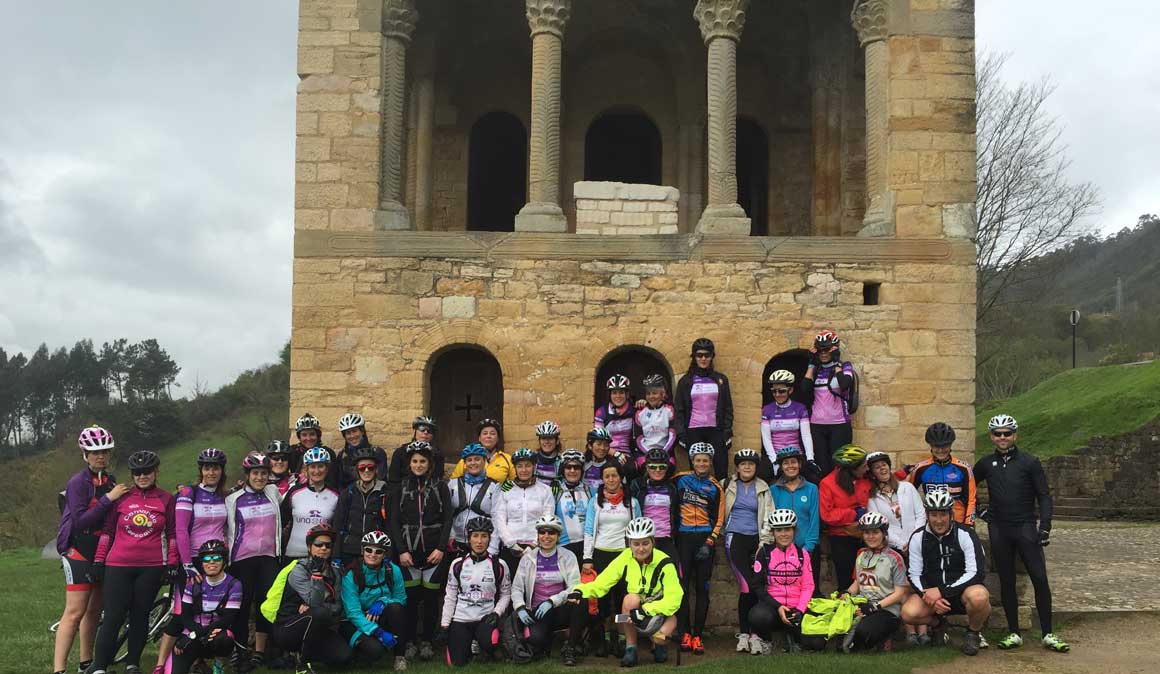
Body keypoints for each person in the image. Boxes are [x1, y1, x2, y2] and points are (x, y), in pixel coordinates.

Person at [974, 414, 1069, 653]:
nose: (1002, 437)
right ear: (992, 437)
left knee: (1039, 578)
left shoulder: (1029, 462)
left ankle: (1048, 633)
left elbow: (1044, 496)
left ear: (1015, 435)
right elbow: (967, 487)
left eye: (1007, 433)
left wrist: (1045, 526)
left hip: (1026, 526)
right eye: (998, 434)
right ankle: (1013, 632)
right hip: (1000, 528)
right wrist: (980, 513)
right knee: (1007, 581)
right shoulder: (986, 464)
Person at [85, 450, 179, 674]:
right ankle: (99, 667)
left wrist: (172, 565)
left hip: (152, 567)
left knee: (140, 615)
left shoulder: (166, 499)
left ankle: (132, 663)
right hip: (118, 565)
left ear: (156, 472)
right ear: (132, 474)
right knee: (113, 616)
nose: (142, 476)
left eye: (147, 472)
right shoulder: (123, 497)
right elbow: (107, 532)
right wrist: (99, 561)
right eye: (137, 472)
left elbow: (172, 534)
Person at [54, 426, 129, 674]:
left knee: (95, 611)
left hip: (102, 552)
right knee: (74, 612)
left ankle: (85, 663)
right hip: (79, 550)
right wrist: (109, 499)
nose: (100, 456)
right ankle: (59, 669)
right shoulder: (78, 482)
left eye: (105, 451)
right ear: (85, 454)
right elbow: (80, 521)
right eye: (95, 452)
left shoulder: (111, 481)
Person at [153, 447, 229, 673]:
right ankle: (160, 664)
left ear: (221, 470)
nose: (211, 472)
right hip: (193, 560)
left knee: (209, 610)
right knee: (180, 614)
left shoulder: (223, 496)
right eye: (207, 468)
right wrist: (186, 564)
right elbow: (180, 530)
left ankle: (200, 659)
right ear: (201, 470)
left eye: (215, 468)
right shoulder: (189, 493)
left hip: (216, 561)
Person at [570, 517, 683, 668]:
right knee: (629, 600)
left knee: (659, 638)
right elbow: (602, 582)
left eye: (645, 543)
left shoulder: (665, 563)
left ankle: (659, 645)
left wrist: (645, 610)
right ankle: (631, 648)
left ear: (653, 542)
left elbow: (674, 598)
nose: (640, 549)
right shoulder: (626, 557)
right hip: (636, 608)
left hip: (660, 612)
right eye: (636, 544)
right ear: (629, 544)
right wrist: (580, 591)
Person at [902, 492, 990, 656]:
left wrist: (943, 591)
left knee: (980, 597)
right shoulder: (918, 537)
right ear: (927, 515)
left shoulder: (966, 534)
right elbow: (914, 574)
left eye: (943, 514)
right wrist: (927, 595)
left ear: (951, 514)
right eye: (933, 515)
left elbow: (976, 572)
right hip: (932, 595)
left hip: (962, 592)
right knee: (908, 613)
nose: (938, 520)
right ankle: (938, 625)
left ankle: (973, 633)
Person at [387, 440, 452, 661]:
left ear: (430, 463)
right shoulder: (399, 488)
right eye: (414, 461)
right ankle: (409, 641)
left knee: (432, 599)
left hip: (434, 553)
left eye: (422, 461)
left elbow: (448, 519)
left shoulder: (440, 486)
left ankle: (427, 641)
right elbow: (394, 522)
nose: (418, 465)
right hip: (408, 554)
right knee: (411, 600)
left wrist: (441, 548)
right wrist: (402, 551)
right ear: (409, 463)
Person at [224, 451, 283, 672]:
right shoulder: (233, 499)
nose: (260, 477)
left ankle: (260, 652)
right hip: (241, 560)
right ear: (247, 475)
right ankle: (240, 652)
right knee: (241, 606)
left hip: (268, 558)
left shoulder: (273, 493)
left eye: (264, 473)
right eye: (255, 473)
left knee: (266, 605)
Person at [265, 524, 354, 670]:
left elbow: (338, 606)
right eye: (318, 544)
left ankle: (303, 654)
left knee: (344, 657)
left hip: (318, 625)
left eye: (328, 545)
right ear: (309, 547)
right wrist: (317, 576)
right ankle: (302, 664)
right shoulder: (298, 570)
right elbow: (315, 602)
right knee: (320, 613)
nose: (323, 548)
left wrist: (315, 609)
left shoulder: (335, 572)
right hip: (288, 626)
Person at [582, 461, 641, 657]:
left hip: (625, 555)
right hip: (601, 553)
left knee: (623, 599)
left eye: (614, 475)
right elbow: (589, 530)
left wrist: (638, 557)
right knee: (603, 601)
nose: (611, 479)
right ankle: (606, 638)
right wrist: (587, 558)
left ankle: (623, 639)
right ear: (602, 479)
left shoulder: (632, 502)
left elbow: (637, 531)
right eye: (606, 476)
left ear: (620, 477)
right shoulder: (595, 502)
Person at [438, 516, 513, 667]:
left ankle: (484, 645)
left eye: (484, 536)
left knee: (490, 644)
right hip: (461, 619)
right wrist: (445, 625)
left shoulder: (499, 565)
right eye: (475, 536)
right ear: (469, 538)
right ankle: (469, 644)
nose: (479, 541)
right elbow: (451, 596)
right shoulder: (457, 564)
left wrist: (496, 613)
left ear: (490, 539)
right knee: (456, 663)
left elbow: (506, 594)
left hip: (485, 619)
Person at [674, 442, 725, 654]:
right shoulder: (679, 479)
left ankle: (698, 636)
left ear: (710, 463)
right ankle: (684, 632)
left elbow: (720, 518)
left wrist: (710, 541)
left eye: (705, 460)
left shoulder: (716, 486)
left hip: (705, 539)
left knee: (703, 589)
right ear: (692, 462)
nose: (701, 463)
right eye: (698, 460)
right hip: (684, 538)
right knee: (682, 588)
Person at [511, 515, 584, 663]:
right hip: (537, 611)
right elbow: (517, 588)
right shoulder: (528, 558)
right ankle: (549, 639)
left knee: (581, 601)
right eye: (542, 532)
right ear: (537, 535)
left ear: (558, 536)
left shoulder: (568, 556)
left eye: (551, 533)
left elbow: (574, 586)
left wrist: (552, 601)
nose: (546, 536)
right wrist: (520, 608)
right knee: (536, 639)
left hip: (559, 608)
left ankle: (570, 648)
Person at [722, 449, 773, 654]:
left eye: (750, 464)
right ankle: (744, 634)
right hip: (734, 538)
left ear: (755, 467)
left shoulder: (763, 487)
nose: (747, 467)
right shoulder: (727, 485)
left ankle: (755, 635)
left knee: (757, 586)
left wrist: (765, 541)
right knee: (746, 586)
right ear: (737, 467)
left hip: (756, 540)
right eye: (743, 464)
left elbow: (769, 515)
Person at [747, 510, 817, 655]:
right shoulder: (764, 553)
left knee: (817, 643)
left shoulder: (802, 554)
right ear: (773, 532)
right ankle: (767, 639)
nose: (783, 534)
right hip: (774, 608)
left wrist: (800, 609)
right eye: (779, 530)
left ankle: (792, 636)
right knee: (758, 616)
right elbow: (757, 586)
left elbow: (808, 585)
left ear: (794, 530)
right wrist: (778, 606)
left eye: (787, 529)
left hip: (796, 607)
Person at [166, 539, 242, 674]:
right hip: (193, 631)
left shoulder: (234, 584)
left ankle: (219, 666)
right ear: (202, 563)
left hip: (216, 633)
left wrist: (194, 635)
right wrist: (191, 635)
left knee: (224, 640)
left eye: (216, 558)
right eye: (206, 558)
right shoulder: (193, 583)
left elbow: (228, 619)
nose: (211, 562)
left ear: (224, 561)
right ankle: (197, 664)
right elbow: (185, 616)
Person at [840, 513, 909, 653]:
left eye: (875, 532)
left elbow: (900, 593)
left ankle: (887, 636)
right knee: (841, 641)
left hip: (887, 609)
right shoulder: (861, 554)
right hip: (863, 605)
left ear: (884, 534)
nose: (870, 536)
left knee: (863, 632)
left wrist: (875, 607)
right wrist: (846, 593)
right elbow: (857, 583)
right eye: (866, 532)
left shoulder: (895, 558)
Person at [340, 531, 409, 670]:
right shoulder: (352, 574)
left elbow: (401, 599)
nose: (372, 554)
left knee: (396, 608)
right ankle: (358, 651)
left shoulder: (392, 570)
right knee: (375, 651)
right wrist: (378, 632)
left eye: (378, 551)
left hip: (378, 617)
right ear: (363, 551)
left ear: (385, 554)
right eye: (368, 550)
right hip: (354, 621)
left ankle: (400, 657)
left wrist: (384, 601)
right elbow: (353, 613)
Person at [673, 338, 734, 479]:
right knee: (696, 471)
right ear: (694, 357)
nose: (703, 358)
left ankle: (722, 499)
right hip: (693, 431)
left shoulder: (721, 379)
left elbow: (728, 408)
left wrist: (727, 431)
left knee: (721, 470)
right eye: (699, 355)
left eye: (707, 355)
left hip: (716, 430)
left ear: (712, 356)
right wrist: (681, 434)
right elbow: (679, 409)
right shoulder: (686, 381)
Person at [802, 330, 854, 479]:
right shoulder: (816, 369)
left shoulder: (845, 366)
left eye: (826, 350)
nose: (823, 354)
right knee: (822, 467)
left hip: (839, 424)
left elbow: (844, 384)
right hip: (817, 424)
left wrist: (837, 363)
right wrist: (811, 364)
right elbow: (805, 388)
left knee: (840, 468)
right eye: (820, 350)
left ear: (834, 350)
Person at [768, 446, 821, 590]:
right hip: (782, 548)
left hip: (807, 547)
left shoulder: (811, 489)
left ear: (800, 464)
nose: (790, 466)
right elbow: (771, 520)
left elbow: (814, 520)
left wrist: (808, 548)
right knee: (784, 589)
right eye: (786, 463)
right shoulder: (773, 490)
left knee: (809, 589)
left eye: (793, 462)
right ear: (781, 466)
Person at [494, 447, 556, 572]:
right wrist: (510, 543)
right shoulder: (507, 489)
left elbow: (547, 519)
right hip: (511, 547)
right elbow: (499, 519)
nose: (524, 470)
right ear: (515, 468)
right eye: (520, 466)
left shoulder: (545, 490)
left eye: (528, 466)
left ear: (534, 466)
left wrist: (534, 544)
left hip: (536, 546)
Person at [819, 445, 871, 589]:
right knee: (846, 579)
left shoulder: (865, 479)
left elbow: (885, 480)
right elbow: (827, 514)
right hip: (842, 537)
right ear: (852, 469)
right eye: (863, 466)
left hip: (866, 534)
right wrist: (853, 513)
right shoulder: (827, 484)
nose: (867, 469)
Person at [907, 422, 976, 525]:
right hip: (932, 522)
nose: (940, 450)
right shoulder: (920, 468)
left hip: (958, 521)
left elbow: (971, 499)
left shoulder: (964, 468)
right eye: (936, 446)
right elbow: (908, 495)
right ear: (930, 445)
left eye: (944, 446)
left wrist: (969, 523)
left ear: (951, 445)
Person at [282, 447, 341, 561]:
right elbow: (282, 520)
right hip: (294, 555)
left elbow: (337, 527)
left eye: (320, 466)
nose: (317, 471)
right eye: (312, 467)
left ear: (327, 468)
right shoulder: (294, 492)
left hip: (322, 555)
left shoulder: (336, 495)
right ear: (306, 469)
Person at [334, 445, 390, 562]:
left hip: (375, 551)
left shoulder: (384, 492)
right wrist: (336, 555)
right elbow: (338, 524)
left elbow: (390, 526)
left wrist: (388, 554)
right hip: (350, 550)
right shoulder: (348, 492)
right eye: (362, 467)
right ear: (356, 469)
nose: (366, 471)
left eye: (370, 467)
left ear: (376, 469)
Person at [447, 443, 501, 557]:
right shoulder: (453, 484)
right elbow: (447, 514)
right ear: (465, 463)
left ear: (484, 461)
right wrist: (450, 537)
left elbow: (498, 517)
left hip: (483, 544)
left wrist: (493, 547)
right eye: (469, 460)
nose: (473, 463)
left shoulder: (494, 486)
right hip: (457, 543)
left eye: (477, 459)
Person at [760, 369, 815, 480]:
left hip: (795, 454)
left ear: (790, 390)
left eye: (781, 391)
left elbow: (806, 435)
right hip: (775, 454)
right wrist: (774, 460)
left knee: (812, 477)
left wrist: (810, 458)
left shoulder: (800, 408)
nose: (777, 394)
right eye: (774, 391)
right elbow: (766, 438)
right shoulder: (767, 409)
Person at [866, 452, 924, 552]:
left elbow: (921, 514)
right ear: (872, 473)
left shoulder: (907, 487)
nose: (882, 468)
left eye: (884, 464)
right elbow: (879, 525)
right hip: (893, 547)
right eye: (877, 467)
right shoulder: (872, 498)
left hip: (917, 542)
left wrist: (915, 539)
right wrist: (902, 545)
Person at [628, 448, 679, 561]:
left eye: (662, 467)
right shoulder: (637, 485)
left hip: (666, 538)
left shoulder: (672, 488)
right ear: (646, 467)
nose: (657, 470)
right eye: (652, 467)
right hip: (645, 538)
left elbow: (675, 513)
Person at [554, 449, 593, 560]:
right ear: (563, 469)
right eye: (568, 467)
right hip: (563, 546)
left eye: (576, 467)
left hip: (587, 546)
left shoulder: (590, 491)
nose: (572, 470)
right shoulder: (556, 492)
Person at [449, 418, 514, 483]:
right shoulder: (468, 458)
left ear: (497, 438)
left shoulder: (507, 459)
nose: (488, 436)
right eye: (485, 433)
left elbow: (515, 483)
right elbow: (453, 482)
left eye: (492, 433)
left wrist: (503, 490)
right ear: (479, 438)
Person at [633, 375, 676, 470]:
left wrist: (664, 451)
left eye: (655, 393)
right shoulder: (640, 413)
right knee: (641, 466)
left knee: (670, 466)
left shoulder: (669, 410)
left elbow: (673, 434)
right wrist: (648, 453)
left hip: (665, 451)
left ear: (662, 394)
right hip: (646, 451)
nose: (651, 396)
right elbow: (638, 438)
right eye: (648, 394)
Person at [336, 413, 389, 487]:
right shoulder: (342, 456)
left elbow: (381, 478)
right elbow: (340, 483)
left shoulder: (377, 452)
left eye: (354, 431)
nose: (352, 436)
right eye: (348, 433)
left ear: (362, 431)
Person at [389, 416, 444, 484]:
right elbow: (393, 480)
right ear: (415, 431)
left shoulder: (437, 454)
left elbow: (438, 479)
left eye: (430, 430)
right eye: (422, 429)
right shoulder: (400, 452)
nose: (425, 432)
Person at [594, 373, 637, 459]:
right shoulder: (602, 412)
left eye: (621, 392)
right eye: (614, 393)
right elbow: (598, 438)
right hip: (606, 453)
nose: (618, 396)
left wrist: (644, 404)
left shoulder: (633, 410)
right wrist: (615, 454)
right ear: (610, 395)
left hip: (627, 455)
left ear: (627, 394)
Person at [582, 427, 630, 493]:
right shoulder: (582, 463)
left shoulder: (614, 464)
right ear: (590, 446)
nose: (602, 448)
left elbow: (622, 487)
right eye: (599, 444)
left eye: (606, 445)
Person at [532, 420, 564, 486]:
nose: (546, 442)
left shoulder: (562, 461)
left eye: (550, 438)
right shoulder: (533, 459)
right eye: (543, 438)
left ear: (557, 441)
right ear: (539, 441)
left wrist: (560, 484)